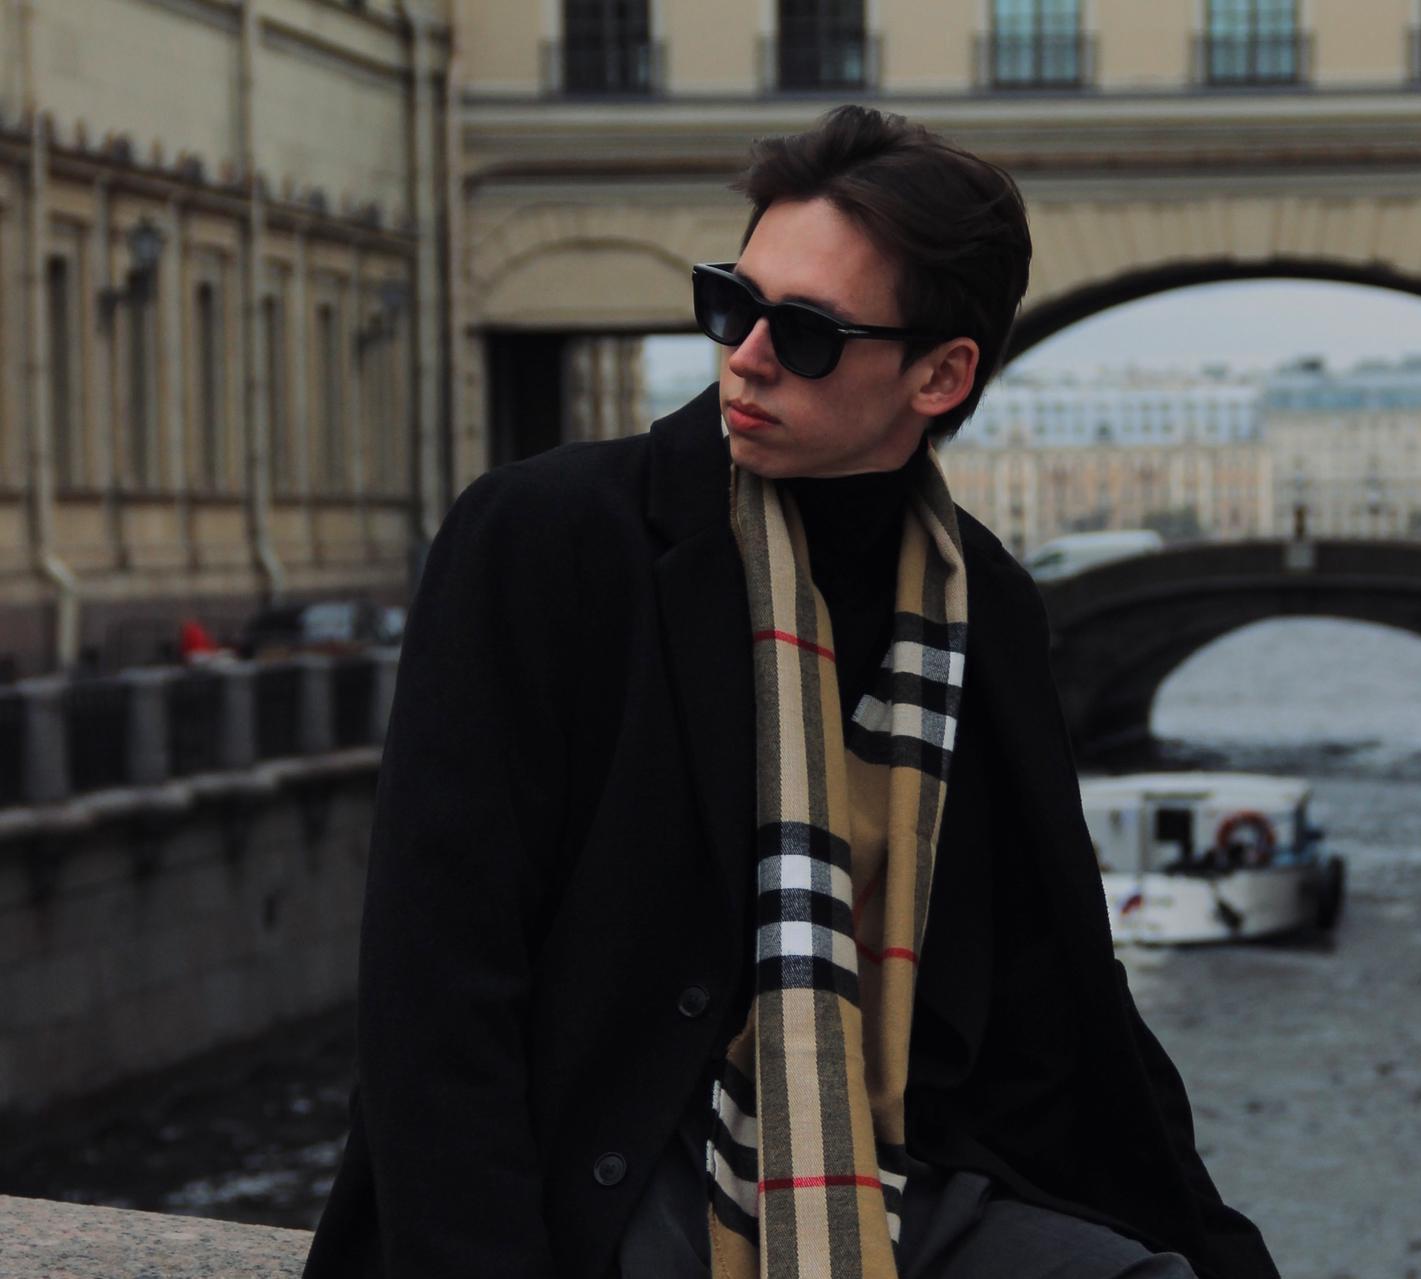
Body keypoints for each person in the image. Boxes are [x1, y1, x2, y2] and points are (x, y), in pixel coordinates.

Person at [302, 106, 1279, 1279]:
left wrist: (1219, 1251)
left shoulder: (982, 603)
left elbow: (1066, 985)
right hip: (601, 1170)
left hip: (887, 1167)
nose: (747, 355)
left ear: (940, 374)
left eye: (806, 333)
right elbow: (435, 975)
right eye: (732, 303)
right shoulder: (548, 539)